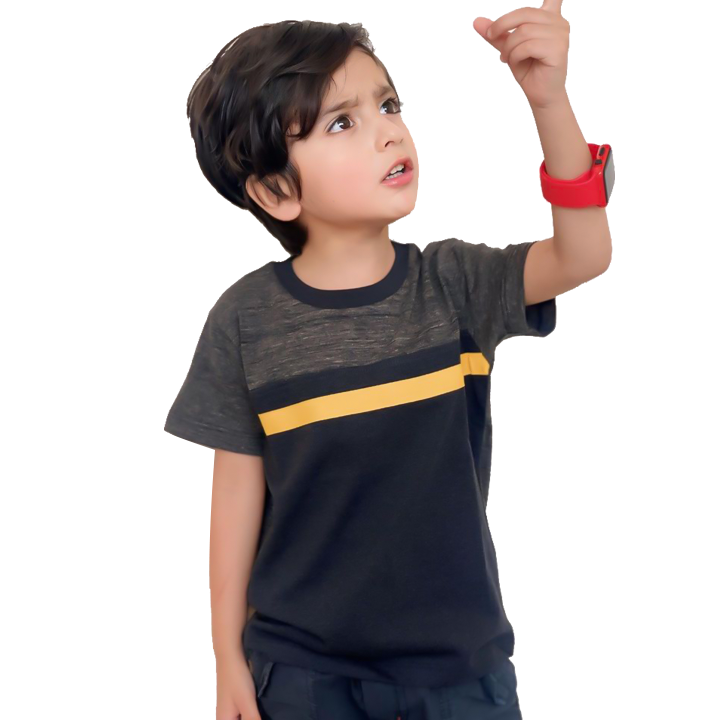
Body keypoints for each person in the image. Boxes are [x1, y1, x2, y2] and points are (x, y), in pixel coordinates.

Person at [164, 13, 610, 720]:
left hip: (461, 677)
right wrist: (226, 659)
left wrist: (548, 100)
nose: (388, 132)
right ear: (275, 191)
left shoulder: (455, 285)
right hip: (303, 679)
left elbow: (584, 254)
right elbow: (235, 504)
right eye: (342, 122)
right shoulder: (244, 321)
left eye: (389, 104)